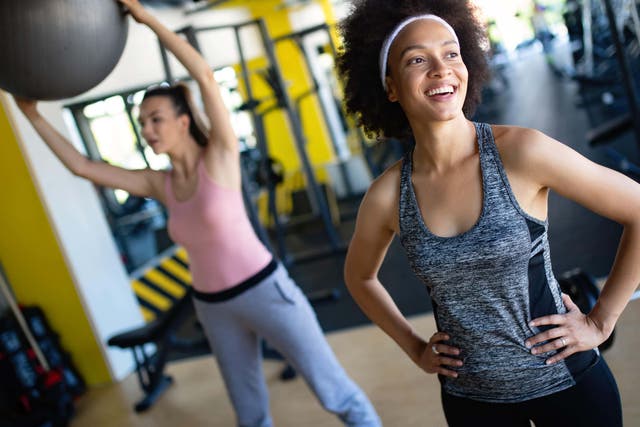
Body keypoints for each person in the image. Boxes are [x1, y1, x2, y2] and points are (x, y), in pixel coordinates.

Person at [10, 1, 381, 426]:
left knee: (333, 391)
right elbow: (83, 167)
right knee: (249, 413)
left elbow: (205, 76)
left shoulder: (219, 157)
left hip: (266, 292)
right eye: (142, 122)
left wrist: (148, 19)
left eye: (155, 120)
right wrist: (33, 115)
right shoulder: (159, 184)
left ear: (184, 121)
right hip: (213, 308)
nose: (147, 131)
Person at [337, 0, 640, 426]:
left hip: (569, 386)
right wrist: (415, 347)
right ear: (391, 86)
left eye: (451, 53)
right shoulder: (388, 195)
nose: (441, 70)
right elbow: (359, 277)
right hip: (470, 402)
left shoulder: (521, 152)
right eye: (417, 60)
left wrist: (602, 320)